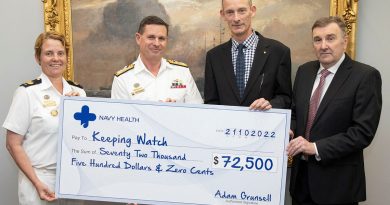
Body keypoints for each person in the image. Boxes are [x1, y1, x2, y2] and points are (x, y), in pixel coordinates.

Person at [287, 16, 382, 205]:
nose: (323, 46)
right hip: (301, 183)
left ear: (344, 41)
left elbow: (362, 133)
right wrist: (288, 129)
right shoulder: (304, 72)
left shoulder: (365, 76)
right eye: (317, 39)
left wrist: (315, 147)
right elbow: (296, 113)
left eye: (330, 38)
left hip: (338, 187)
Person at [3, 31, 86, 205]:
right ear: (37, 58)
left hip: (73, 178)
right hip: (39, 178)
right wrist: (37, 183)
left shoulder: (79, 93)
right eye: (49, 53)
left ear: (66, 57)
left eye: (60, 53)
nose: (56, 58)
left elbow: (86, 138)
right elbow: (12, 144)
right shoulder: (27, 93)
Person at [204, 0, 292, 110]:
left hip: (263, 125)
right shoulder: (213, 57)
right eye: (230, 12)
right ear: (223, 15)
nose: (236, 18)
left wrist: (270, 104)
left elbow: (285, 98)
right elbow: (211, 103)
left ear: (252, 11)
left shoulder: (278, 52)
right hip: (225, 126)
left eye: (241, 11)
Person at [111, 15, 203, 104]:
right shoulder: (122, 79)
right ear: (138, 39)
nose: (156, 43)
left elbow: (198, 112)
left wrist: (176, 111)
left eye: (161, 38)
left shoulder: (182, 72)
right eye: (151, 37)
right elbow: (121, 118)